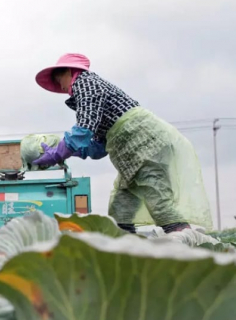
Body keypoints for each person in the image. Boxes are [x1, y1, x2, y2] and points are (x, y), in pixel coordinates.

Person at [32, 53, 213, 234]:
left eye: (59, 79)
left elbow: (82, 131)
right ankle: (128, 250)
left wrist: (57, 154)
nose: (60, 86)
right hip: (131, 153)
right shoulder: (86, 90)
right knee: (121, 209)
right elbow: (98, 146)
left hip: (144, 144)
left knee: (158, 200)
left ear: (69, 72)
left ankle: (188, 246)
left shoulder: (86, 83)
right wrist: (69, 151)